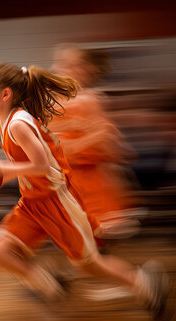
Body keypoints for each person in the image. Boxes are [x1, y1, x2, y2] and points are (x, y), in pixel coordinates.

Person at [0, 62, 176, 321]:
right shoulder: (7, 121)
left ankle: (145, 284)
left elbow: (43, 166)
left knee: (89, 265)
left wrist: (1, 169)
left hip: (57, 202)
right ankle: (51, 286)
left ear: (6, 94)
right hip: (33, 202)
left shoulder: (18, 124)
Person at [49, 44, 140, 241]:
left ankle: (132, 273)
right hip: (64, 184)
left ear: (86, 71)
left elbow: (118, 152)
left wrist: (97, 140)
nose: (60, 69)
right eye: (60, 63)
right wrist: (94, 136)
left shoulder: (90, 101)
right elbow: (58, 150)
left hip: (91, 186)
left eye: (72, 65)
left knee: (89, 246)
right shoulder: (49, 103)